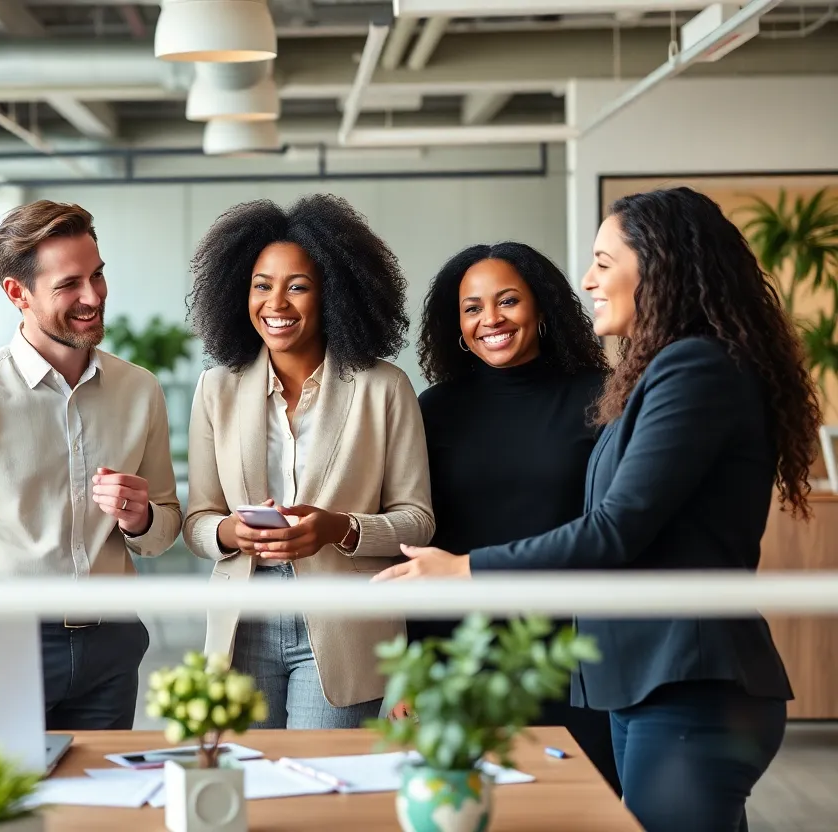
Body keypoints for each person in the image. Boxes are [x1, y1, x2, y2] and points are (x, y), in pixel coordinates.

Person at [378, 187, 817, 832]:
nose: (588, 279)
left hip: (685, 677)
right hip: (645, 678)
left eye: (604, 262)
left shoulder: (694, 368)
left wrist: (463, 570)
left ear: (659, 263)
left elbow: (614, 530)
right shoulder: (670, 369)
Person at [0, 200, 181, 731]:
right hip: (4, 645)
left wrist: (140, 519)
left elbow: (164, 527)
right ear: (16, 292)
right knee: (6, 806)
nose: (92, 297)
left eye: (97, 276)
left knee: (96, 807)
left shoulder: (140, 390)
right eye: (69, 284)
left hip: (111, 645)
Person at [183, 194, 434, 729]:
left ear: (333, 294)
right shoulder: (215, 390)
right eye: (261, 285)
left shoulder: (383, 388)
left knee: (324, 802)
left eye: (298, 286)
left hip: (346, 624)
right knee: (249, 790)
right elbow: (197, 520)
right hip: (244, 619)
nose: (277, 303)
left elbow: (419, 522)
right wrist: (230, 531)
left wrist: (338, 529)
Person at [406, 242, 619, 794]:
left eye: (507, 301)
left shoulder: (602, 398)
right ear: (456, 323)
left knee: (576, 805)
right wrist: (411, 669)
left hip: (568, 650)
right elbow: (418, 533)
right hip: (460, 648)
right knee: (468, 805)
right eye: (472, 308)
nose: (490, 320)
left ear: (542, 307)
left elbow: (616, 525)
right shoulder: (433, 409)